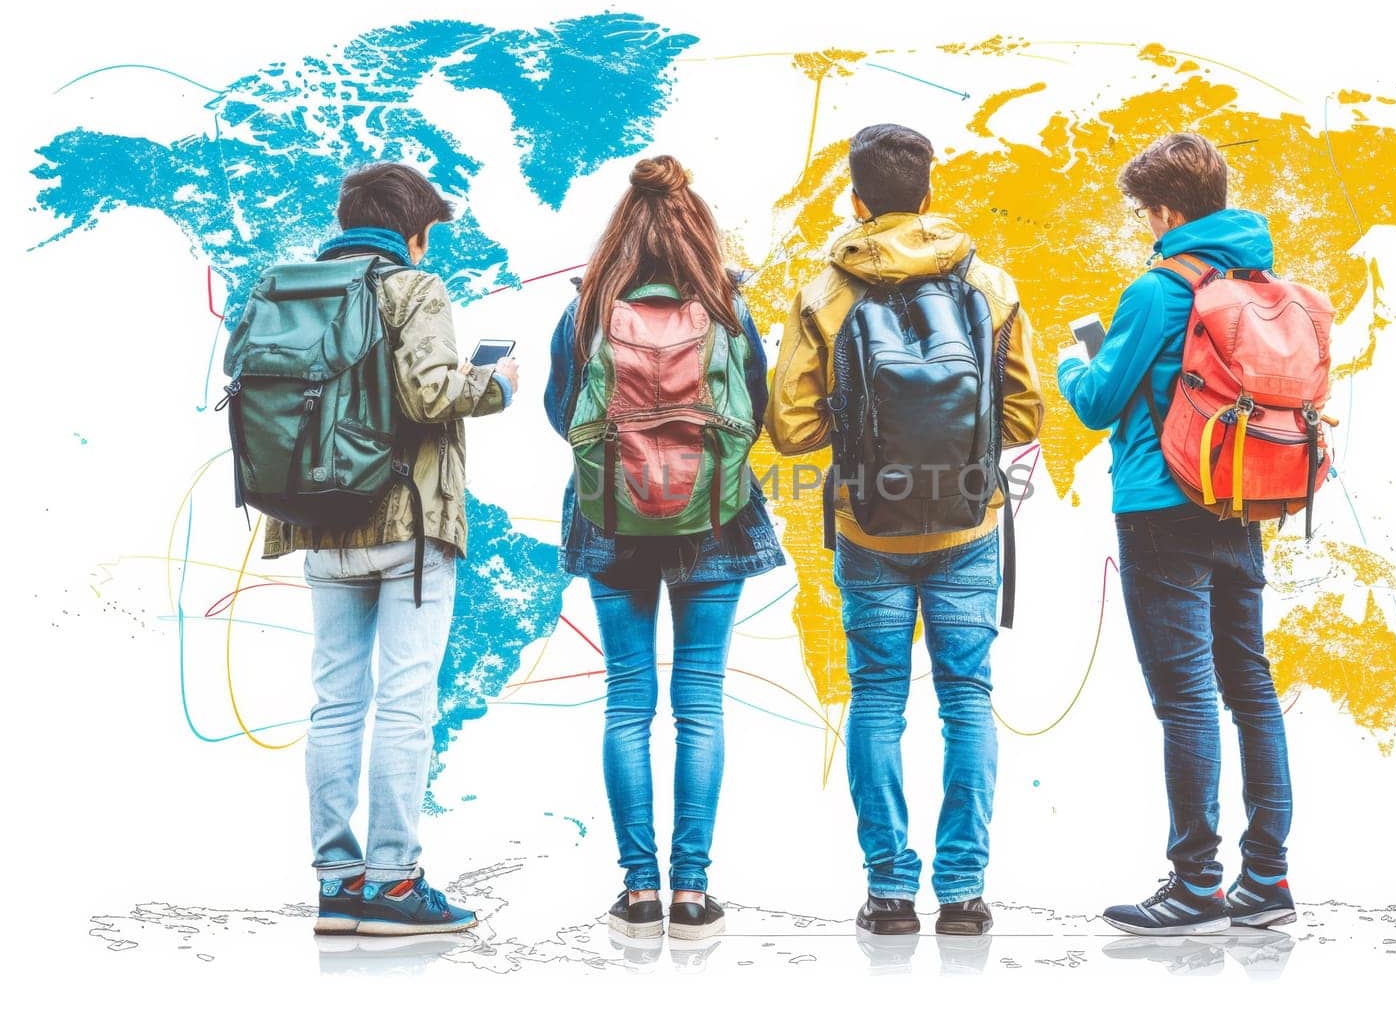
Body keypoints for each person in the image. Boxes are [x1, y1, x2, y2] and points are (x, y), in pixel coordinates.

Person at [766, 124, 1044, 936]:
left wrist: (857, 422)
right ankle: (963, 892)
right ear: (929, 194)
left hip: (870, 527)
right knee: (968, 699)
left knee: (878, 698)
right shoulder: (987, 283)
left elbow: (787, 428)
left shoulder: (825, 292)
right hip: (967, 523)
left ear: (856, 198)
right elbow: (1023, 414)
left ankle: (889, 892)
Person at [260, 163, 519, 935]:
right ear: (413, 230)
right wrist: (495, 381)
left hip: (315, 523)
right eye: (429, 232)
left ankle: (339, 885)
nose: (427, 244)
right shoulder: (414, 289)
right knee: (404, 705)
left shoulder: (289, 287)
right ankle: (395, 884)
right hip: (405, 527)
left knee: (335, 703)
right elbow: (432, 392)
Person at [1055, 132, 1296, 934]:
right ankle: (1266, 878)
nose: (1144, 229)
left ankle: (1195, 882)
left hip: (1162, 510)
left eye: (1144, 214)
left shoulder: (1158, 291)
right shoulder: (1256, 280)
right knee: (1251, 689)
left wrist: (1069, 360)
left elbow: (1096, 401)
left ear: (1164, 210)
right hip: (1244, 500)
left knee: (1186, 699)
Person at [543, 155, 784, 942]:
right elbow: (760, 406)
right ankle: (692, 893)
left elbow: (559, 410)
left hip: (611, 522)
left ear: (621, 229)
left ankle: (638, 891)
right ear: (698, 229)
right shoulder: (725, 306)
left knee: (628, 702)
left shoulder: (587, 308)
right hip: (715, 520)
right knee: (701, 705)